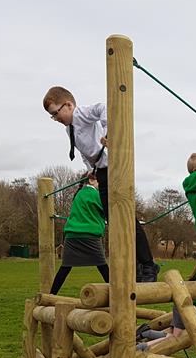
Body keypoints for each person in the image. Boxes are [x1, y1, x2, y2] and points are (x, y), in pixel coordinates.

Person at [42, 86, 160, 282]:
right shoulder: (68, 129)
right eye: (52, 116)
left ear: (69, 105)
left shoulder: (81, 114)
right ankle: (136, 266)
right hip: (101, 172)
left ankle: (148, 265)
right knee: (114, 220)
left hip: (114, 167)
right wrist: (90, 168)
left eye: (56, 113)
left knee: (126, 217)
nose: (56, 119)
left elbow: (103, 108)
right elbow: (83, 151)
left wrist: (108, 131)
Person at [138, 244, 196, 350]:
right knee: (176, 338)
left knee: (174, 333)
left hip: (185, 303)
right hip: (184, 304)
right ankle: (143, 346)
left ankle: (146, 332)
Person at [49, 175, 109, 294]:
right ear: (92, 180)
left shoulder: (78, 194)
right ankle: (117, 295)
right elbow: (107, 209)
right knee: (102, 266)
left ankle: (51, 294)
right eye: (99, 181)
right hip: (90, 236)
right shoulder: (96, 194)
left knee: (65, 267)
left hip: (72, 237)